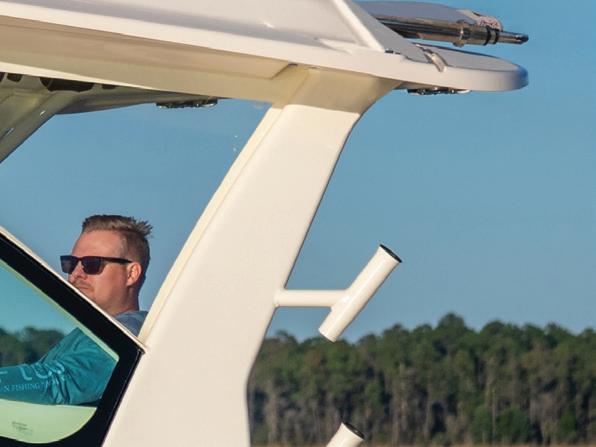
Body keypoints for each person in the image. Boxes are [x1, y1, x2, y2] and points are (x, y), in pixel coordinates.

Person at [0, 215, 151, 405]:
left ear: (131, 274)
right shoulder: (90, 334)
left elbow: (59, 382)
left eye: (92, 264)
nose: (75, 274)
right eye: (70, 263)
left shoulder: (128, 338)